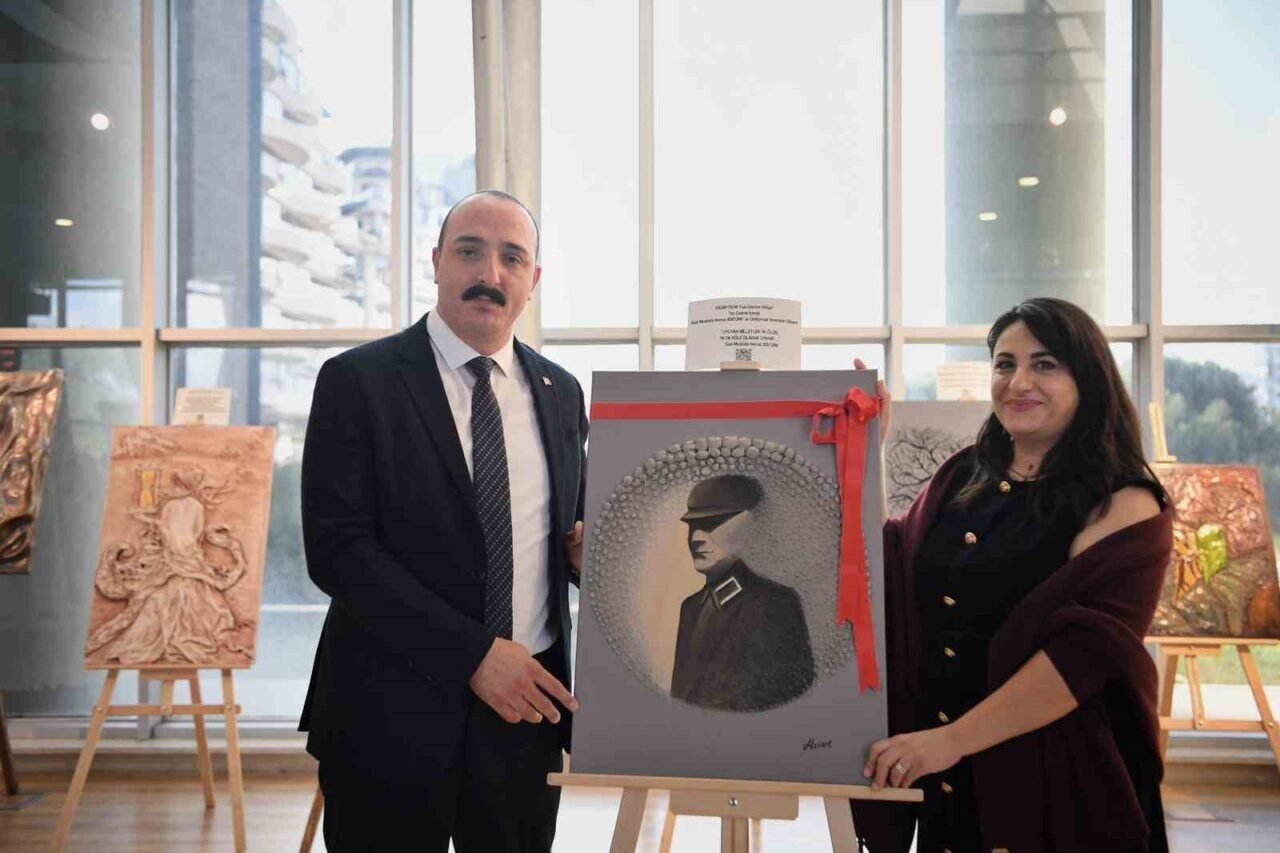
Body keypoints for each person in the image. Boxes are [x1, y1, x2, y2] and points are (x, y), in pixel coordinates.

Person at [299, 190, 587, 852]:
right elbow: (338, 550)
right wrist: (473, 655)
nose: (490, 273)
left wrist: (582, 556)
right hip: (387, 717)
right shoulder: (357, 381)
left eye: (512, 258)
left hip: (525, 716)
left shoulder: (562, 393)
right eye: (469, 252)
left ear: (534, 280)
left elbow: (561, 530)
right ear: (435, 262)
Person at [853, 297, 1173, 852]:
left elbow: (1081, 659)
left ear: (1089, 379)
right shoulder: (963, 474)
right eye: (1005, 364)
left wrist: (950, 741)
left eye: (1044, 364)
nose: (1018, 382)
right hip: (948, 784)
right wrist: (866, 448)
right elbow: (893, 567)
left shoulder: (1123, 502)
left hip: (1059, 788)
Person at [670, 474, 815, 711]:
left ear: (746, 526)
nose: (696, 538)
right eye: (692, 527)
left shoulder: (776, 605)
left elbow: (791, 699)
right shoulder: (690, 607)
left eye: (711, 524)